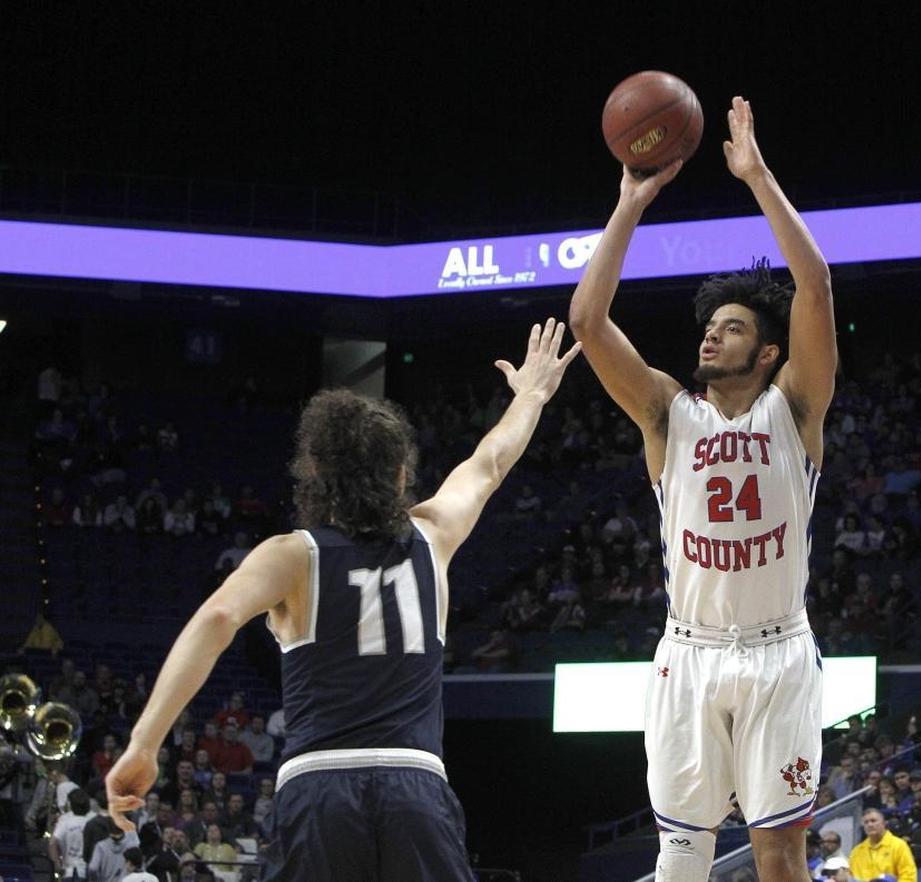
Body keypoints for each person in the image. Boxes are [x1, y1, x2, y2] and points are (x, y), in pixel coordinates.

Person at [104, 319, 580, 881]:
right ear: (402, 473)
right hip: (416, 786)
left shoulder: (290, 555)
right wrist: (531, 396)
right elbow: (491, 461)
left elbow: (217, 617)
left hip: (318, 787)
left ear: (314, 475)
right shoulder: (434, 535)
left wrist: (143, 744)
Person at [568, 95, 836, 882]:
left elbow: (814, 282)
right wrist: (629, 203)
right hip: (687, 654)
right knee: (682, 859)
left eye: (734, 327)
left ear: (768, 352)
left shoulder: (794, 409)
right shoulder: (664, 413)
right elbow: (588, 322)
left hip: (779, 653)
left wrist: (756, 176)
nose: (711, 333)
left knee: (780, 856)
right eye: (709, 325)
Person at [849, 807, 918, 882]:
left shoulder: (899, 846)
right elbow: (852, 878)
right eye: (866, 822)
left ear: (884, 823)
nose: (870, 825)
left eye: (873, 821)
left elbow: (909, 877)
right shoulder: (856, 851)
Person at [50, 788, 97, 880]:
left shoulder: (65, 820)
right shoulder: (94, 818)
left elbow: (52, 843)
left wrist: (57, 863)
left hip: (69, 869)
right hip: (90, 870)